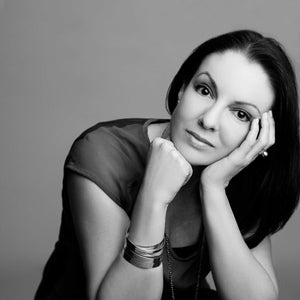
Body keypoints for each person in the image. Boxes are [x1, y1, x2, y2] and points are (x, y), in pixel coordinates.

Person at [34, 30, 300, 300]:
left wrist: (214, 188)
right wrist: (154, 196)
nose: (209, 120)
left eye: (241, 114)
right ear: (183, 88)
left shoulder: (244, 173)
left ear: (262, 134)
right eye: (205, 90)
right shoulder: (102, 154)